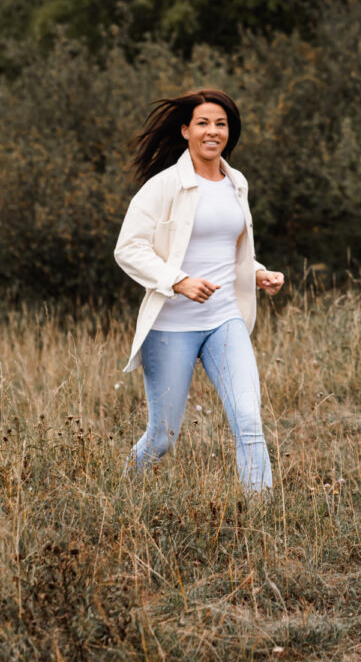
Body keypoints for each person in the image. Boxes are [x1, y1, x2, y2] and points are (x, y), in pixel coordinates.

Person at [115, 88, 284, 492]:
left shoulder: (236, 182)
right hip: (171, 326)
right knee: (162, 438)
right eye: (203, 123)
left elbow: (230, 249)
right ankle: (119, 490)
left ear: (230, 132)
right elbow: (128, 249)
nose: (213, 131)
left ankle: (262, 520)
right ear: (186, 130)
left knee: (248, 417)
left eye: (221, 124)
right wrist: (179, 281)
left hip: (225, 318)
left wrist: (258, 272)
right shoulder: (164, 186)